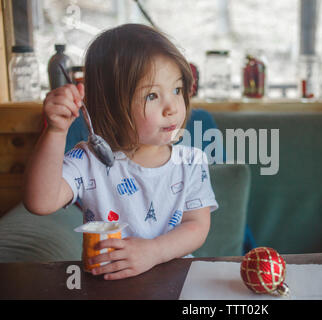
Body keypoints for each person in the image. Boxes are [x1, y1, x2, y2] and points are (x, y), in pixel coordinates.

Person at [23, 24, 218, 280]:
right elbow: (40, 202)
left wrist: (154, 252)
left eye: (177, 90)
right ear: (111, 106)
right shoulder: (88, 160)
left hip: (175, 279)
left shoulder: (192, 161)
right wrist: (56, 132)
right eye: (151, 95)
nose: (172, 107)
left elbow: (197, 226)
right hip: (107, 283)